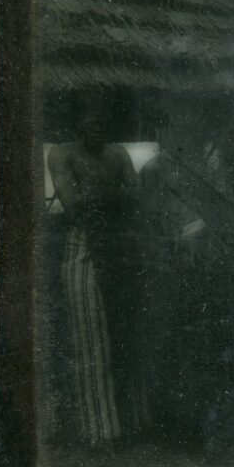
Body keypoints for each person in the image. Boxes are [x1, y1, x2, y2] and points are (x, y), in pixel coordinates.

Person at [48, 104, 143, 447]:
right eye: (90, 121)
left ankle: (134, 425)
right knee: (90, 338)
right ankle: (100, 432)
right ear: (78, 126)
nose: (97, 128)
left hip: (119, 243)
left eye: (103, 122)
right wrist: (113, 195)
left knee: (126, 333)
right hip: (83, 242)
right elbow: (73, 203)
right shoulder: (62, 154)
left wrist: (98, 195)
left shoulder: (117, 153)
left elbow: (136, 195)